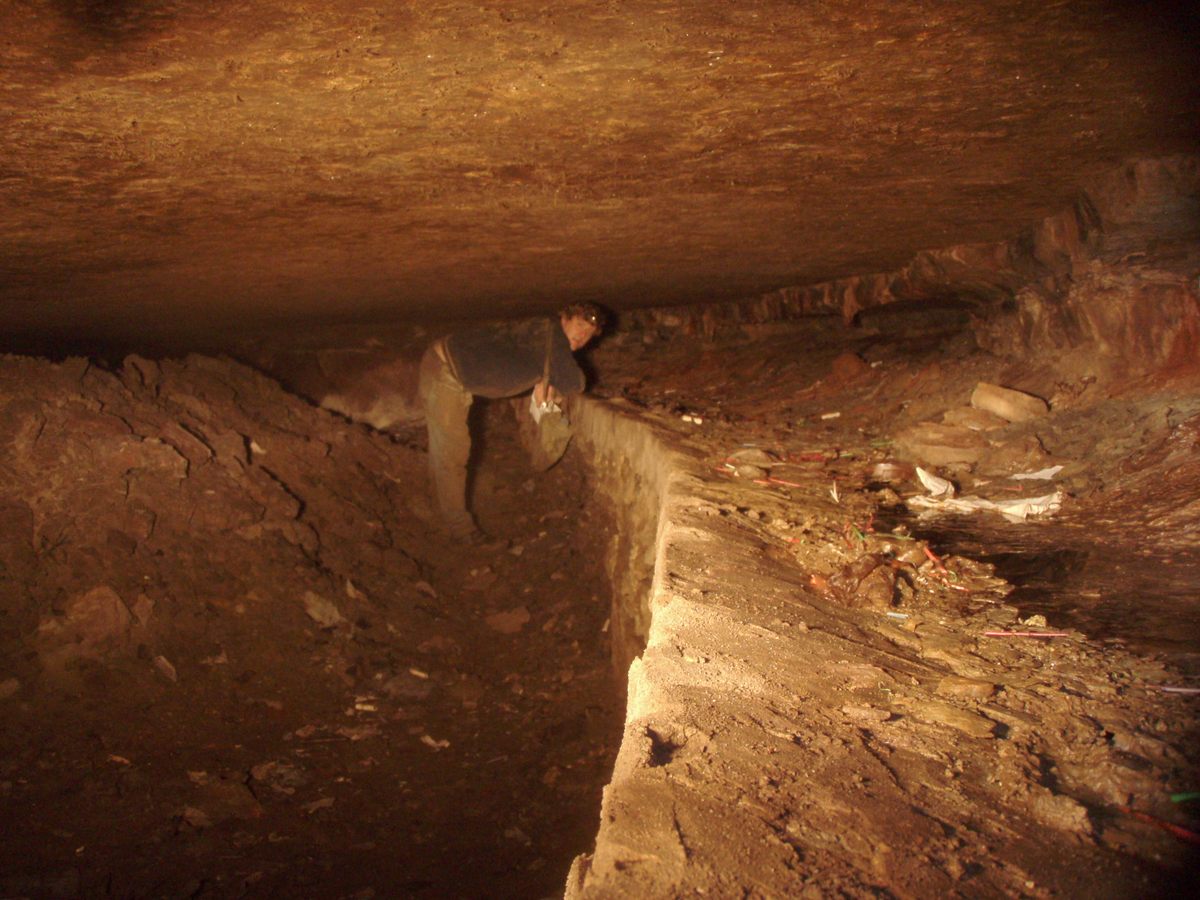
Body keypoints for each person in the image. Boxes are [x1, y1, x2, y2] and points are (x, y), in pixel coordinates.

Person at [418, 302, 607, 540]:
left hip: (453, 373)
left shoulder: (544, 339)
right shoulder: (549, 332)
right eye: (579, 326)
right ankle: (460, 530)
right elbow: (575, 382)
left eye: (588, 336)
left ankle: (435, 505)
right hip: (445, 373)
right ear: (564, 319)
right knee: (452, 452)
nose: (581, 337)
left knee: (447, 450)